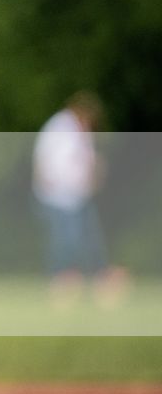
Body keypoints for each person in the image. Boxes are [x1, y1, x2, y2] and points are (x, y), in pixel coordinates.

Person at [31, 92, 127, 307]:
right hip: (59, 198)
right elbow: (47, 161)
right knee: (66, 241)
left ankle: (94, 281)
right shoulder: (59, 127)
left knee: (89, 239)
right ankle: (60, 285)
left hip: (77, 197)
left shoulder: (77, 131)